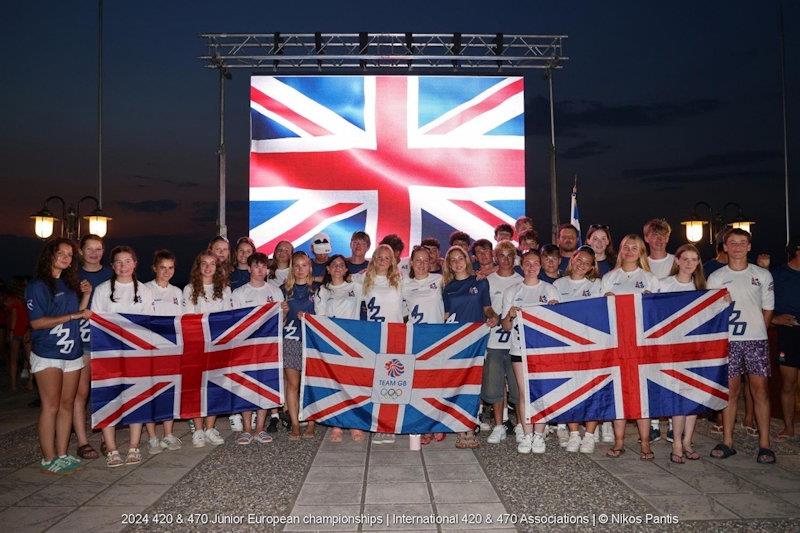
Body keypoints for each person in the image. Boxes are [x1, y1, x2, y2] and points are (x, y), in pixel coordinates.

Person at [707, 228, 775, 464]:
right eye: (732, 243)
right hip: (729, 341)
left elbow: (768, 308)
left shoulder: (762, 275)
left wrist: (759, 332)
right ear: (725, 247)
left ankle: (765, 444)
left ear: (749, 246)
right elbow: (710, 311)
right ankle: (727, 441)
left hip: (755, 340)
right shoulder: (715, 278)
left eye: (742, 242)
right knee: (730, 392)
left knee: (760, 391)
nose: (737, 247)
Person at [27, 238, 91, 474]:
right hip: (48, 352)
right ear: (49, 255)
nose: (66, 258)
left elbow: (79, 314)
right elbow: (37, 323)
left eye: (70, 255)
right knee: (50, 405)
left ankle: (62, 453)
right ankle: (48, 457)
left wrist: (86, 295)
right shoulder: (38, 285)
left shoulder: (68, 282)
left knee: (67, 404)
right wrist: (74, 316)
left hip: (72, 352)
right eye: (61, 253)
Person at [92, 246, 156, 467]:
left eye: (127, 261)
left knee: (136, 398)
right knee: (109, 398)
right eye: (118, 262)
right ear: (112, 266)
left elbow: (150, 323)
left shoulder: (145, 291)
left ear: (135, 264)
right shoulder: (101, 290)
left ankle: (133, 446)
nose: (123, 266)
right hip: (109, 354)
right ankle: (111, 449)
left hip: (137, 354)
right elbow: (97, 324)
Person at [601, 234, 660, 460]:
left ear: (641, 252)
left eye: (634, 247)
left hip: (641, 345)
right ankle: (619, 442)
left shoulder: (649, 279)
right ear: (620, 250)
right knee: (619, 393)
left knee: (641, 394)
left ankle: (645, 443)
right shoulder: (608, 278)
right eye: (626, 246)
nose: (629, 251)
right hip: (616, 344)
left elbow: (661, 312)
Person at [501, 249, 559, 454]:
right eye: (528, 263)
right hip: (519, 348)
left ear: (541, 266)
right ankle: (526, 434)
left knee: (541, 391)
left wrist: (555, 309)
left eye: (536, 263)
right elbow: (506, 327)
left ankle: (539, 435)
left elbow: (558, 324)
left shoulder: (550, 290)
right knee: (524, 393)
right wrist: (509, 315)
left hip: (544, 350)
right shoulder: (512, 291)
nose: (532, 267)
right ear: (522, 266)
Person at [442, 245, 498, 449]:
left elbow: (487, 308)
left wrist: (493, 317)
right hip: (455, 341)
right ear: (448, 264)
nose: (457, 262)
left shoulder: (480, 281)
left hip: (475, 339)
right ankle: (460, 428)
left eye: (460, 258)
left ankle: (470, 426)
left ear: (467, 259)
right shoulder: (447, 288)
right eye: (453, 260)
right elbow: (446, 317)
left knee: (473, 385)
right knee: (457, 383)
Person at [553, 246, 603, 453]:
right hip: (566, 346)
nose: (582, 263)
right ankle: (574, 433)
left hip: (592, 345)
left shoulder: (597, 284)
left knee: (594, 388)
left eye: (587, 262)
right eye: (578, 259)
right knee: (569, 389)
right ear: (572, 259)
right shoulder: (558, 284)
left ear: (592, 267)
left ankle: (590, 434)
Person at [660, 244, 706, 463]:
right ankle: (676, 442)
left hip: (694, 348)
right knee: (678, 394)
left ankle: (688, 440)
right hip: (671, 347)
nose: (689, 263)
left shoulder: (702, 287)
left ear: (698, 263)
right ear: (677, 260)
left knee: (693, 393)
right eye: (685, 259)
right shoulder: (664, 285)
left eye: (694, 259)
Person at [231, 252, 284, 446]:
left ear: (267, 269)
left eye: (264, 266)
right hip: (245, 347)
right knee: (246, 385)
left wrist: (284, 313)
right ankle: (247, 429)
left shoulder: (275, 291)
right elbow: (234, 322)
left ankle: (260, 428)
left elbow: (280, 321)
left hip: (268, 347)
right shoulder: (238, 293)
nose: (260, 270)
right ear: (250, 268)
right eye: (256, 266)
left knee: (264, 385)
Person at [183, 251, 233, 448]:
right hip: (196, 344)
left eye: (212, 263)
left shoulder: (225, 289)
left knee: (214, 386)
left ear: (217, 267)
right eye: (204, 263)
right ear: (198, 266)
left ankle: (210, 427)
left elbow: (229, 317)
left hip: (218, 345)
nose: (208, 267)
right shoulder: (188, 289)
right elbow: (187, 318)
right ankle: (198, 428)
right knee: (197, 386)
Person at [402, 246, 446, 445]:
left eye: (425, 260)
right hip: (415, 338)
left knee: (436, 383)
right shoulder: (404, 283)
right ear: (411, 262)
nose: (421, 264)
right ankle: (421, 425)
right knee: (417, 385)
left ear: (431, 262)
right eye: (417, 260)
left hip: (436, 337)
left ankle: (436, 423)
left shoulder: (439, 280)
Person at [142, 250, 185, 454]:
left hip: (172, 350)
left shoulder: (178, 292)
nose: (167, 271)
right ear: (154, 268)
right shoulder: (144, 290)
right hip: (150, 350)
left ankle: (168, 433)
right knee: (151, 392)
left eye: (171, 267)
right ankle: (152, 436)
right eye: (163, 267)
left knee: (168, 391)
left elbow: (182, 322)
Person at [75, 234, 112, 460]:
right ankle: (82, 441)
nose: (94, 253)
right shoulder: (73, 275)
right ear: (81, 251)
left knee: (106, 391)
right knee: (81, 392)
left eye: (98, 249)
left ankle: (106, 440)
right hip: (82, 342)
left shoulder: (112, 274)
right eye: (89, 249)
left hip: (107, 343)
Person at [483, 241, 523, 446]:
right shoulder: (488, 280)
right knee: (495, 385)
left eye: (510, 255)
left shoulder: (523, 280)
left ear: (514, 258)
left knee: (518, 388)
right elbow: (485, 306)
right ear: (495, 257)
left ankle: (519, 425)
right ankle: (498, 425)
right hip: (494, 341)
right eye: (502, 255)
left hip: (517, 342)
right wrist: (491, 316)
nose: (505, 259)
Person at [280, 252, 318, 440]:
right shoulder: (284, 290)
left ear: (310, 267)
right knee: (293, 384)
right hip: (291, 340)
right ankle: (295, 424)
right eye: (296, 265)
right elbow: (276, 321)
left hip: (312, 342)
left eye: (304, 265)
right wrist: (284, 314)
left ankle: (311, 423)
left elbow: (325, 316)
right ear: (292, 268)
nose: (300, 269)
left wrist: (310, 319)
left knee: (310, 383)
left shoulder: (318, 289)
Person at [772, 236, 800, 441]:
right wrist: (776, 319)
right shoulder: (778, 275)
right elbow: (760, 304)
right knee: (788, 383)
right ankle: (789, 427)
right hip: (789, 333)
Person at [361, 244, 405, 325]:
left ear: (391, 262)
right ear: (374, 259)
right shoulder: (365, 277)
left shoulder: (400, 278)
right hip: (374, 330)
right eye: (379, 257)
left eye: (386, 258)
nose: (382, 261)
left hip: (395, 330)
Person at [5, 277, 30, 392]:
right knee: (30, 359)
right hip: (26, 330)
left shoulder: (14, 300)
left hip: (17, 331)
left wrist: (11, 331)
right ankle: (30, 383)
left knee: (13, 359)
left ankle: (14, 385)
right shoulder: (26, 298)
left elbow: (14, 316)